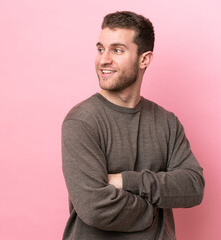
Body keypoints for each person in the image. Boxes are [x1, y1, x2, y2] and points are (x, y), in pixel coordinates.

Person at [61, 11, 205, 240]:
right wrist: (154, 211)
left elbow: (193, 187)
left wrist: (126, 181)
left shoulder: (167, 122)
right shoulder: (82, 121)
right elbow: (95, 208)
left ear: (144, 59)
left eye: (117, 50)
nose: (103, 60)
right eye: (100, 49)